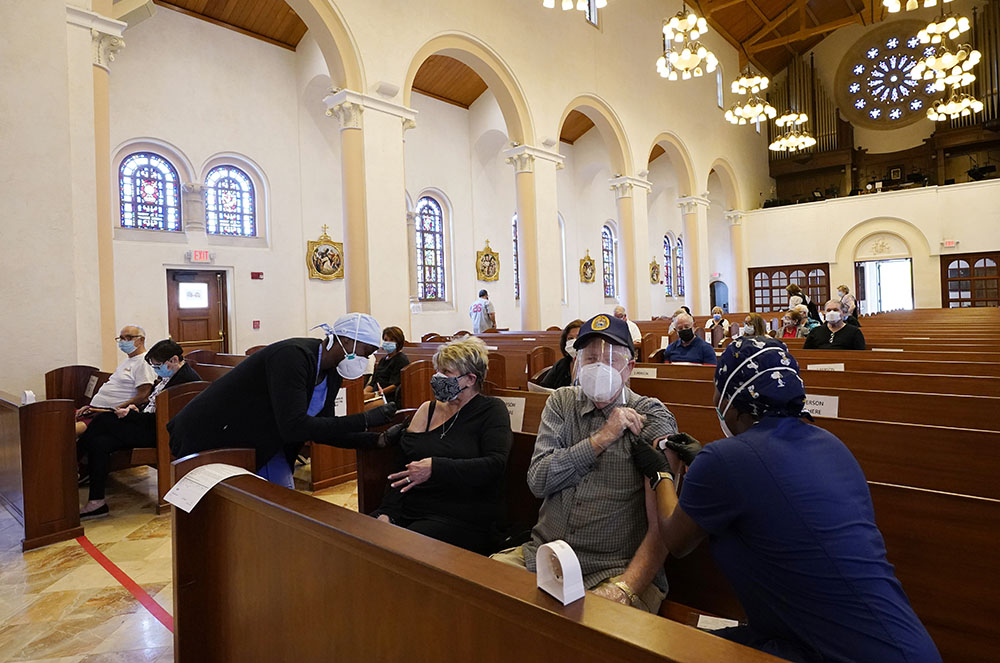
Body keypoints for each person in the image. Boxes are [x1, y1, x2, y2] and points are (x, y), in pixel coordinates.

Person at [635, 337, 940, 662]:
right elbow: (770, 486)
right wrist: (705, 462)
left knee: (661, 648)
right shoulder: (831, 443)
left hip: (832, 653)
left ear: (732, 406)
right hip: (902, 645)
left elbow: (675, 539)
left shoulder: (725, 460)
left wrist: (661, 475)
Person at [491, 314, 677, 612]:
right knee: (482, 589)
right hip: (544, 556)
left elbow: (663, 524)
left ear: (629, 368)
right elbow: (539, 480)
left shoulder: (650, 415)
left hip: (613, 568)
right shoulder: (562, 403)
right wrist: (601, 438)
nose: (599, 367)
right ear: (576, 364)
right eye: (590, 358)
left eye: (611, 358)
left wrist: (626, 587)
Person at [167, 313, 399, 488]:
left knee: (281, 505)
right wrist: (365, 419)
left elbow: (324, 429)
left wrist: (376, 440)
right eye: (366, 352)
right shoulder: (292, 356)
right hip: (215, 436)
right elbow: (294, 426)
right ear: (348, 341)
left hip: (263, 441)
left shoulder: (332, 372)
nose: (367, 359)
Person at [372, 336, 512, 554]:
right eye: (438, 371)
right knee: (365, 536)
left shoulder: (492, 411)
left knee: (402, 548)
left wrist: (435, 467)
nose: (437, 377)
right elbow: (402, 467)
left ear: (470, 379)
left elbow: (495, 465)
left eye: (446, 373)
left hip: (461, 514)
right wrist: (387, 512)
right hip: (412, 506)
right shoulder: (427, 410)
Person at [77, 340, 201, 519]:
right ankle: (97, 502)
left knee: (103, 420)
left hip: (160, 434)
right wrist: (135, 410)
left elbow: (163, 420)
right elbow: (152, 405)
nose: (156, 370)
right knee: (100, 442)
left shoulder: (186, 382)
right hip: (149, 424)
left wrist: (130, 416)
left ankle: (75, 461)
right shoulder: (171, 374)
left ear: (174, 360)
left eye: (158, 366)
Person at [76, 325, 156, 436]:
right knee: (57, 419)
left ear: (141, 340)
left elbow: (143, 396)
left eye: (128, 338)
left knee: (64, 431)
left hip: (107, 414)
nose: (123, 341)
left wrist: (114, 409)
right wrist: (91, 407)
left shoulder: (144, 361)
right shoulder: (128, 361)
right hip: (95, 410)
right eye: (121, 338)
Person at [364, 326, 410, 405]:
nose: (388, 342)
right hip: (376, 394)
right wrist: (364, 393)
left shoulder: (401, 359)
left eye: (392, 340)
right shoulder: (383, 360)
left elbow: (395, 386)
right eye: (385, 340)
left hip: (388, 398)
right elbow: (373, 382)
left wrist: (375, 394)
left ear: (398, 342)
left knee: (364, 408)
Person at [538, 319, 583, 389]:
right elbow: (544, 387)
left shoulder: (592, 365)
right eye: (570, 338)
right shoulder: (561, 364)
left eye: (578, 337)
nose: (574, 341)